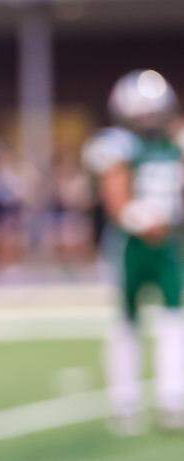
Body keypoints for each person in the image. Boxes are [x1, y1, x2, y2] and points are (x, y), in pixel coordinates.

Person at [83, 69, 184, 434]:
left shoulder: (174, 143)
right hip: (131, 243)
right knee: (127, 320)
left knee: (175, 317)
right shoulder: (117, 146)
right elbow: (115, 194)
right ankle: (124, 401)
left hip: (169, 242)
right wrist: (140, 219)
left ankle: (173, 397)